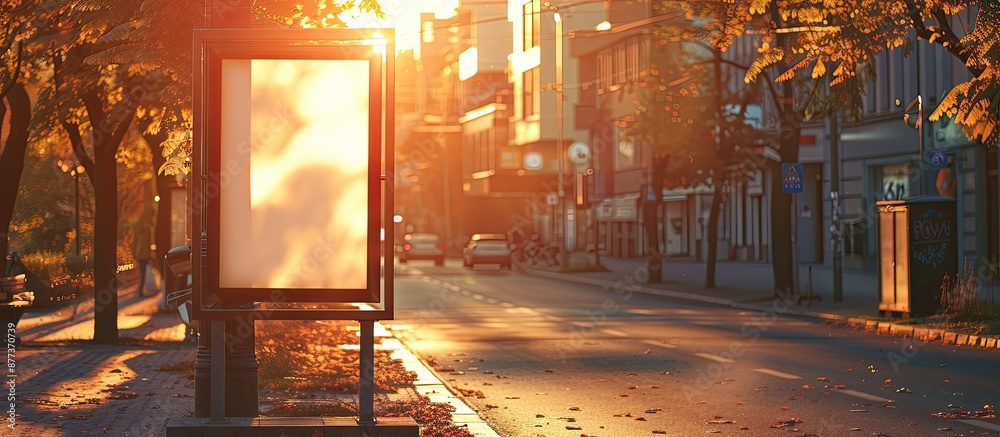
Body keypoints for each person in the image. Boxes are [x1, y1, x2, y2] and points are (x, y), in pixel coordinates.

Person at [132, 204, 156, 296]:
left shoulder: (140, 229)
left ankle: (140, 290)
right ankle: (140, 291)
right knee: (143, 274)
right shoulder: (146, 230)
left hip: (141, 253)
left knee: (143, 274)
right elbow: (147, 243)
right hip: (144, 254)